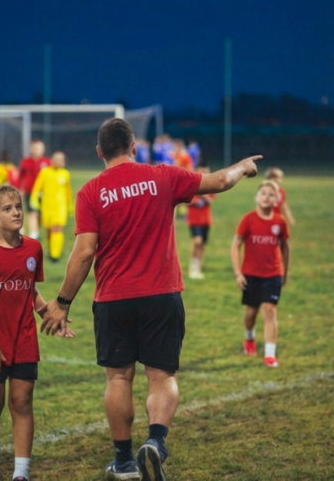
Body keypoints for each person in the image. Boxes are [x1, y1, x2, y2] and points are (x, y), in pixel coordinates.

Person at [40, 118, 261, 481]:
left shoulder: (91, 192)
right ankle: (156, 443)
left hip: (113, 298)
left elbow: (83, 251)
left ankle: (124, 461)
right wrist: (243, 166)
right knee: (162, 375)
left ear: (99, 153)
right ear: (134, 147)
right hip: (161, 294)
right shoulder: (163, 175)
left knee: (118, 379)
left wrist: (62, 302)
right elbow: (220, 181)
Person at [0, 184, 74, 481]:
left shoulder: (34, 249)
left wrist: (48, 314)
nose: (15, 212)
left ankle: (21, 473)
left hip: (24, 337)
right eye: (7, 209)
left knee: (22, 402)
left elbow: (29, 289)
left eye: (18, 206)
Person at [230, 180, 291, 368]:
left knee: (270, 310)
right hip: (251, 274)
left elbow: (285, 247)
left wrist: (284, 273)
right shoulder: (248, 220)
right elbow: (235, 245)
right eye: (263, 193)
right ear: (257, 197)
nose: (266, 197)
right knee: (250, 313)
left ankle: (270, 355)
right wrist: (238, 273)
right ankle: (249, 338)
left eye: (271, 194)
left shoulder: (280, 222)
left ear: (276, 199)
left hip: (273, 273)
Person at [29, 151, 73, 262]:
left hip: (60, 206)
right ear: (53, 161)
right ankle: (50, 251)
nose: (62, 162)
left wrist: (70, 206)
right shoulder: (45, 173)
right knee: (49, 230)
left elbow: (68, 192)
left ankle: (55, 255)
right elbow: (37, 188)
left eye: (63, 159)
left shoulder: (65, 174)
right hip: (47, 205)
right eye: (59, 159)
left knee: (57, 228)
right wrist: (34, 201)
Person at [17, 140, 51, 239]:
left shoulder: (47, 162)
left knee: (40, 215)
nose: (37, 150)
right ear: (31, 149)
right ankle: (33, 235)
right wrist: (20, 189)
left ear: (43, 149)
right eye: (35, 148)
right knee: (32, 213)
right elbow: (20, 176)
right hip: (30, 191)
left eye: (39, 148)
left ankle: (37, 230)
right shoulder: (26, 161)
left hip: (44, 192)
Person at [186, 165, 214, 280]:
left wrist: (203, 194)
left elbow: (210, 200)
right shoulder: (191, 185)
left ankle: (198, 267)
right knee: (197, 242)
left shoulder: (211, 185)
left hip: (206, 220)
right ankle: (192, 268)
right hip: (194, 220)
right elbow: (187, 201)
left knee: (202, 245)